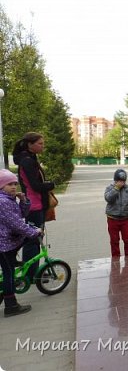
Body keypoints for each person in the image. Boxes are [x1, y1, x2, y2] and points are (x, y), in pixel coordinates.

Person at [0, 169, 43, 317]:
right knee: (9, 274)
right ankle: (11, 306)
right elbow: (16, 224)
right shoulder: (3, 201)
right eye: (9, 184)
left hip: (8, 240)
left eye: (15, 184)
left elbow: (22, 215)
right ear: (1, 187)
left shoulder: (9, 199)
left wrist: (23, 201)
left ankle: (13, 260)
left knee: (24, 240)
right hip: (3, 244)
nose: (13, 187)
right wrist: (33, 232)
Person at [12, 132, 55, 280]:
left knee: (35, 239)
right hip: (34, 206)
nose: (43, 146)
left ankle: (31, 271)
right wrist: (50, 184)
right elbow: (35, 186)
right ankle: (31, 275)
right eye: (40, 143)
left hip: (35, 204)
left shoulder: (29, 158)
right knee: (33, 240)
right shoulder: (27, 161)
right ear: (30, 145)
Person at [104, 169, 128, 257]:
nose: (121, 183)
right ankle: (115, 258)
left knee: (127, 239)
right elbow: (108, 198)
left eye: (123, 181)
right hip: (112, 218)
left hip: (124, 219)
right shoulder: (110, 188)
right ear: (115, 180)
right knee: (114, 240)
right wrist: (116, 188)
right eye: (119, 181)